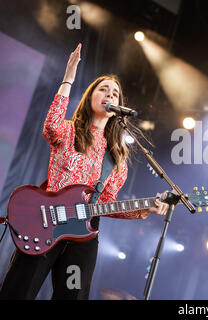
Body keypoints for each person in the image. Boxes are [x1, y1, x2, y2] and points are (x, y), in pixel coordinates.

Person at [0, 43, 169, 300]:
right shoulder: (68, 131)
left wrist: (146, 208)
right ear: (91, 97)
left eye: (115, 93)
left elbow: (108, 203)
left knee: (74, 296)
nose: (110, 95)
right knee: (19, 291)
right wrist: (68, 78)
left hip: (83, 236)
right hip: (45, 223)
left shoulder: (117, 158)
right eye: (103, 89)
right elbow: (51, 127)